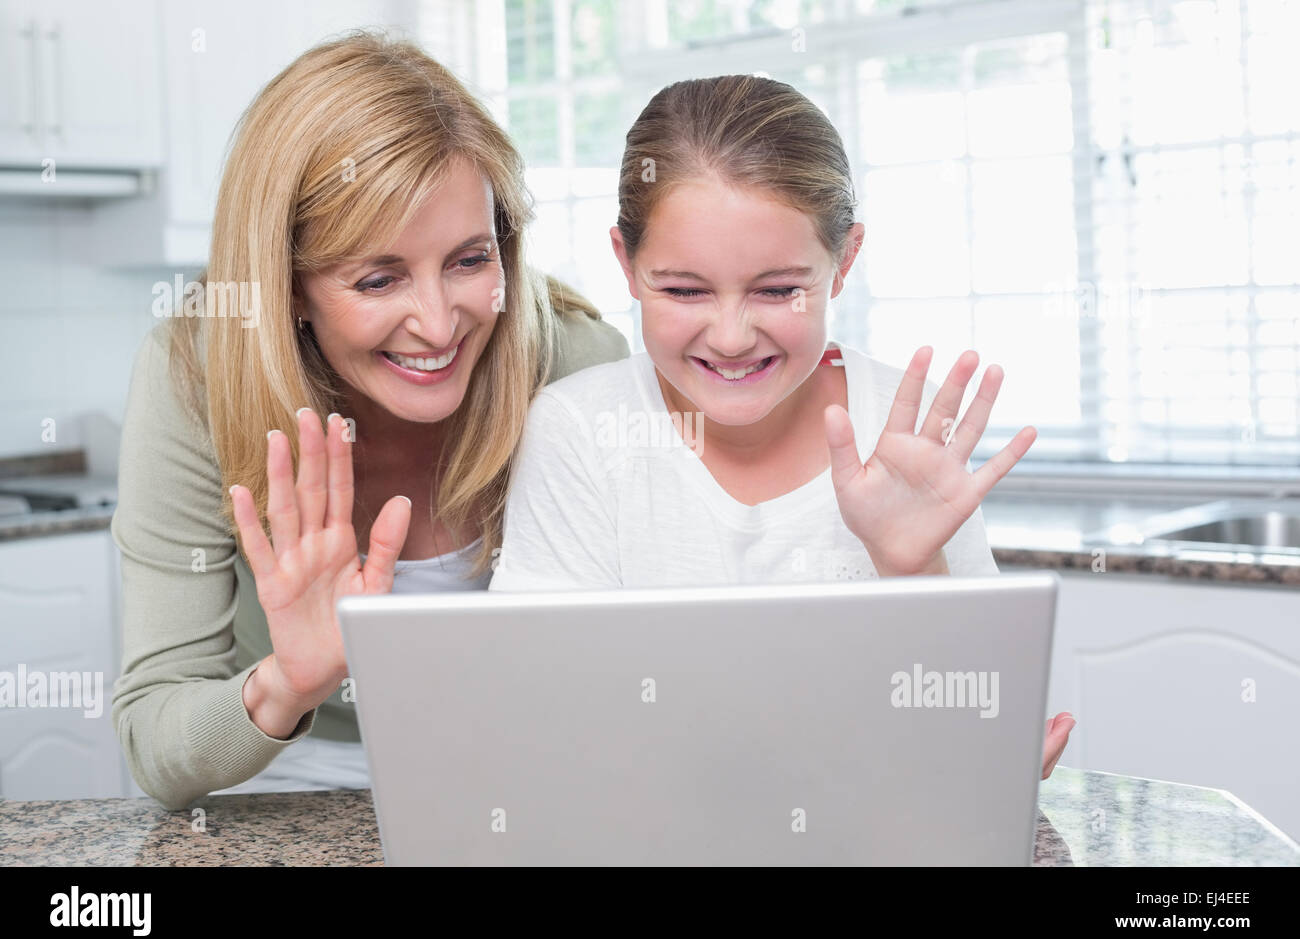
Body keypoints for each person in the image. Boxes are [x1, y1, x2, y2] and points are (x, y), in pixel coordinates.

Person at [490, 74, 1074, 778]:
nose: (732, 337)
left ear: (844, 261)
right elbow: (541, 718)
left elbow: (978, 740)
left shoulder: (904, 433)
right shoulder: (579, 432)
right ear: (625, 262)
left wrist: (910, 567)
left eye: (777, 290)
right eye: (683, 290)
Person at [110, 32, 628, 810]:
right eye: (379, 278)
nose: (437, 322)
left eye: (468, 260)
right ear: (286, 287)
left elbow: (646, 667)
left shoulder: (576, 364)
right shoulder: (195, 381)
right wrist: (287, 684)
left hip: (529, 766)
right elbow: (156, 742)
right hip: (288, 778)